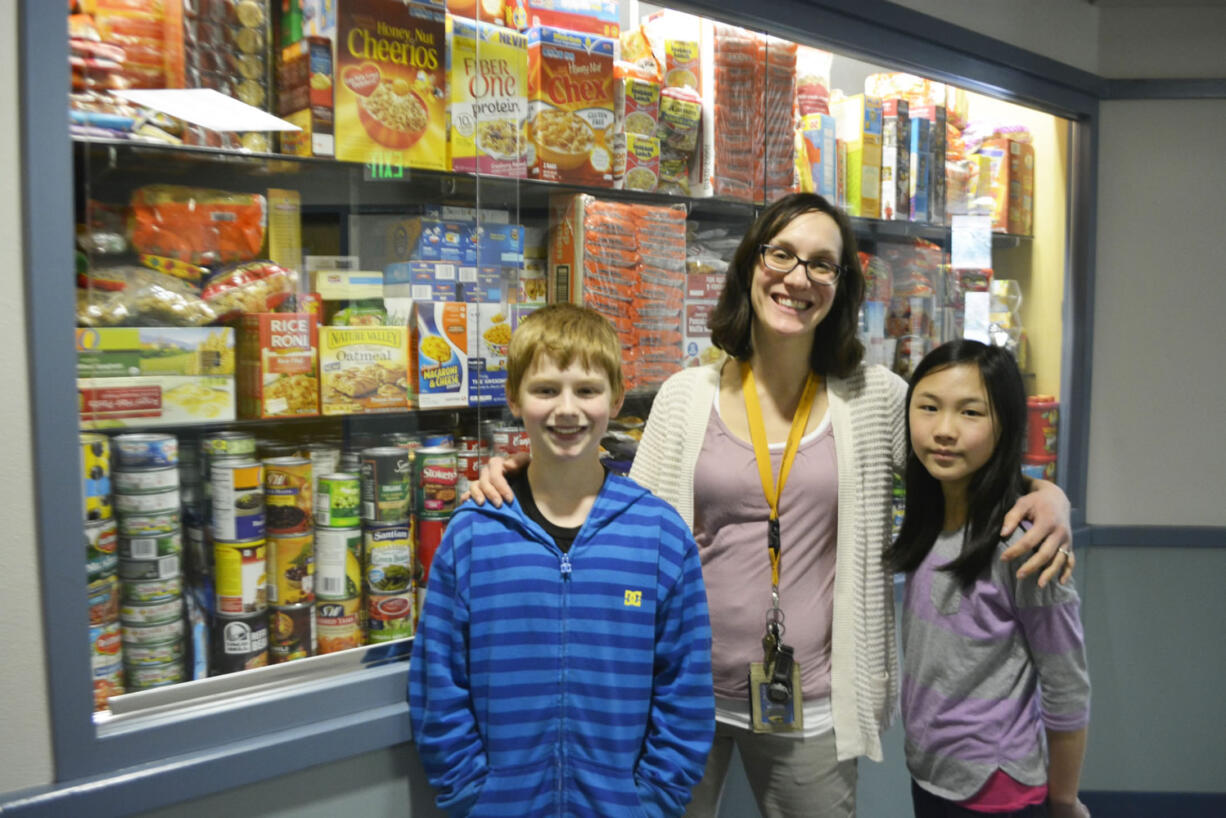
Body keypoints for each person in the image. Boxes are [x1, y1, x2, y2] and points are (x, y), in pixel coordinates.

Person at [469, 193, 1074, 818]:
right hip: (679, 697)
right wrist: (524, 474)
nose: (797, 278)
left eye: (821, 264)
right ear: (750, 265)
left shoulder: (875, 399)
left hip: (810, 705)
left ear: (841, 285)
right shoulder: (685, 395)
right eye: (780, 254)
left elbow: (961, 468)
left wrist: (1044, 495)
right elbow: (621, 511)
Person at [409, 303, 715, 818]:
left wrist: (651, 803)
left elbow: (684, 691)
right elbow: (438, 684)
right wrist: (472, 796)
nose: (567, 409)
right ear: (514, 399)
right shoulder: (474, 533)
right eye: (546, 389)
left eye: (587, 390)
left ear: (616, 398)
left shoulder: (659, 536)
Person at [887, 340, 1090, 818]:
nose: (944, 430)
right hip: (931, 772)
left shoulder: (1025, 543)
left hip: (997, 789)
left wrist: (1063, 799)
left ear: (1006, 425)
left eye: (971, 413)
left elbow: (1067, 685)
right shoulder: (929, 513)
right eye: (929, 407)